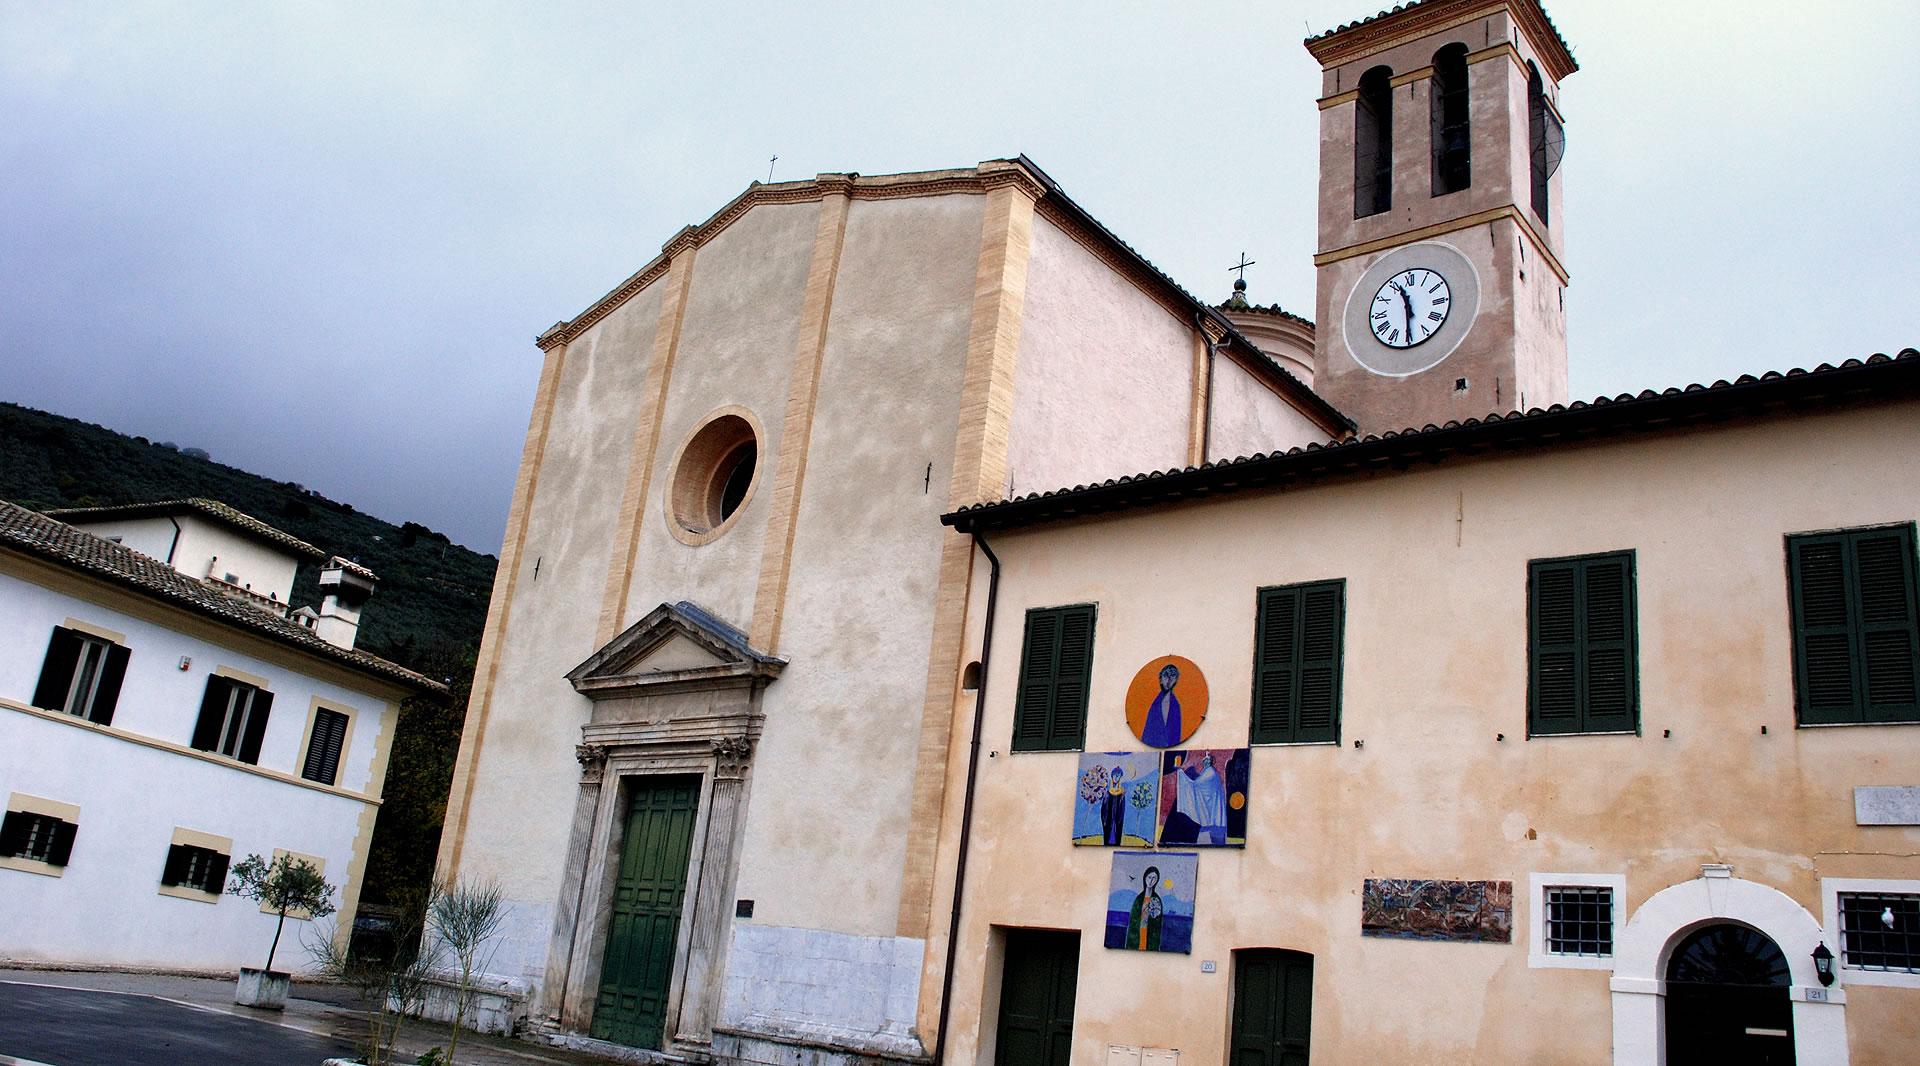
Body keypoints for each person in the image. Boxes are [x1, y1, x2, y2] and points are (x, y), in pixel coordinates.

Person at [1138, 663, 1183, 747]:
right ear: (1161, 680)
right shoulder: (1155, 703)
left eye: (1172, 676)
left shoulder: (1175, 705)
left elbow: (1176, 733)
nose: (1169, 680)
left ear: (1176, 680)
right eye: (1166, 676)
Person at [1125, 865, 1164, 951]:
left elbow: (1157, 924)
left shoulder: (1156, 900)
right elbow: (1133, 921)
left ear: (1157, 881)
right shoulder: (1138, 899)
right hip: (1137, 936)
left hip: (1150, 938)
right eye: (1149, 877)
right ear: (1145, 877)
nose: (1151, 881)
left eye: (1154, 878)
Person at [1100, 766, 1127, 845]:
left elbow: (1122, 810)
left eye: (1118, 775)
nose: (1116, 777)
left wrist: (1118, 820)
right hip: (1108, 821)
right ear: (1112, 776)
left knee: (1116, 837)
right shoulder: (1107, 793)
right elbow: (1103, 809)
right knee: (1107, 837)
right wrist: (1105, 820)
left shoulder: (1122, 794)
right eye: (1115, 775)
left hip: (1117, 822)